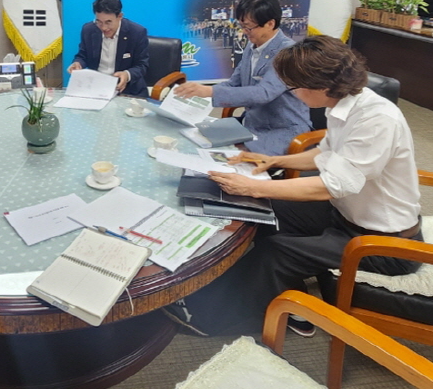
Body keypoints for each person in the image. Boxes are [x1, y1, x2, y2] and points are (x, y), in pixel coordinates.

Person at [166, 36, 422, 337]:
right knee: (264, 213)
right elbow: (325, 152)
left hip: (385, 243)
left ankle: (213, 318)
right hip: (345, 216)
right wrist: (274, 161)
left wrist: (252, 187)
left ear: (322, 86)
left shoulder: (377, 120)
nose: (293, 93)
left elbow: (329, 186)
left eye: (295, 87)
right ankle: (287, 299)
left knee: (277, 250)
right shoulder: (344, 103)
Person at [173, 0, 311, 155]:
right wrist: (197, 93)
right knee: (195, 138)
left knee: (227, 157)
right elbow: (233, 83)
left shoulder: (288, 53)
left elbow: (263, 93)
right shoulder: (252, 46)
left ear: (270, 23)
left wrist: (210, 91)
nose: (244, 31)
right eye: (242, 26)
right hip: (252, 123)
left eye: (249, 27)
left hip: (280, 130)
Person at [67, 0, 150, 97]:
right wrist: (78, 63)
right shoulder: (89, 30)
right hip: (96, 88)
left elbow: (142, 65)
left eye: (108, 22)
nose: (103, 28)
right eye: (99, 22)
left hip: (127, 90)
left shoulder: (136, 32)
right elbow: (83, 55)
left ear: (120, 16)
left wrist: (127, 74)